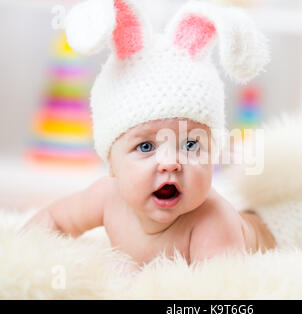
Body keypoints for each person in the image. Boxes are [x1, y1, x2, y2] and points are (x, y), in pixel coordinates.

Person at [21, 0, 274, 266]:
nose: (170, 162)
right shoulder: (106, 197)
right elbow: (54, 220)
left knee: (267, 223)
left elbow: (218, 289)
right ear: (112, 163)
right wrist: (22, 257)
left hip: (266, 232)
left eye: (190, 145)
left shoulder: (213, 221)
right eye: (145, 147)